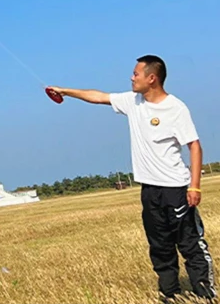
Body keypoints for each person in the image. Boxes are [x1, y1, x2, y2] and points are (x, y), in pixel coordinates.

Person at [49, 55, 216, 303]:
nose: (131, 77)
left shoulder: (176, 108)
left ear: (152, 78)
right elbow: (98, 97)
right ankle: (171, 295)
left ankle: (206, 294)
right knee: (159, 246)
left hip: (176, 188)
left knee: (190, 244)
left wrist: (194, 186)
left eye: (136, 74)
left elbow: (194, 146)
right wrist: (64, 91)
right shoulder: (132, 101)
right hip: (150, 190)